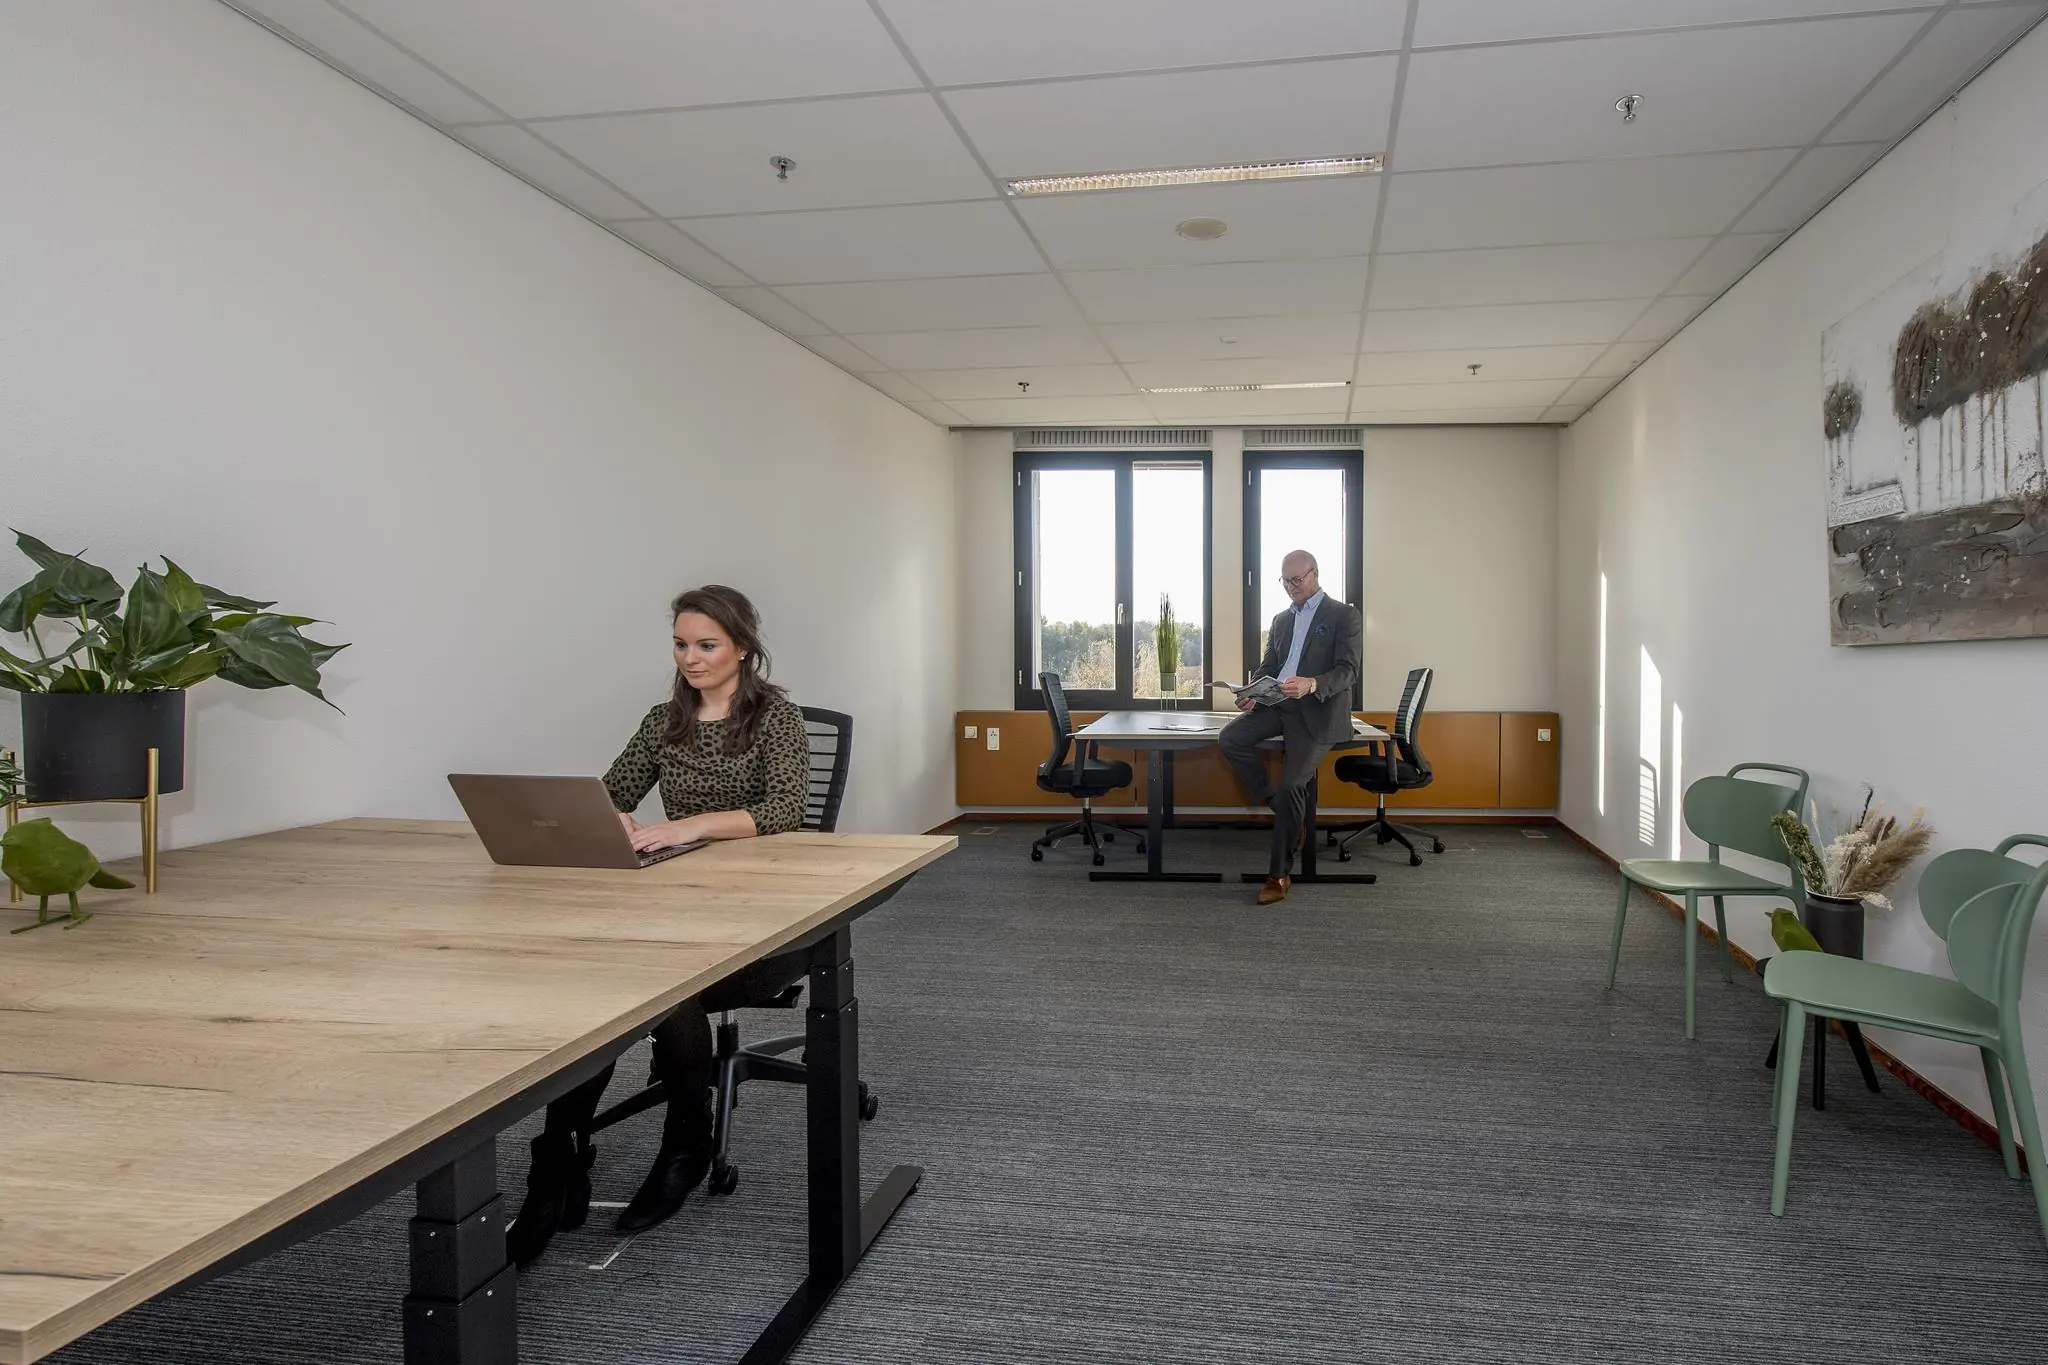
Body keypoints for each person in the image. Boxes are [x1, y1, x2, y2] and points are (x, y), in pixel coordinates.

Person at [506, 584, 811, 1267]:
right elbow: (612, 794)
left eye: (707, 644)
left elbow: (787, 807)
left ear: (742, 647)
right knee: (608, 981)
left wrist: (689, 824)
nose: (692, 657)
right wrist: (611, 819)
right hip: (680, 900)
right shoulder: (662, 721)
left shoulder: (777, 719)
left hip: (769, 916)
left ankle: (687, 1140)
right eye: (681, 644)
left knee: (664, 988)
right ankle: (558, 1160)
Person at [1219, 550, 1362, 905]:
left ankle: (1278, 875)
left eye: (1297, 580)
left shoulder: (1344, 615)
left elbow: (1348, 670)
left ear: (1315, 574)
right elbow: (1268, 664)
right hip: (1277, 704)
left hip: (1317, 710)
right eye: (1285, 581)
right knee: (1230, 738)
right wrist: (1252, 692)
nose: (1291, 587)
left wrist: (1312, 683)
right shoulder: (1281, 620)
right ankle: (1279, 805)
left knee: (1293, 783)